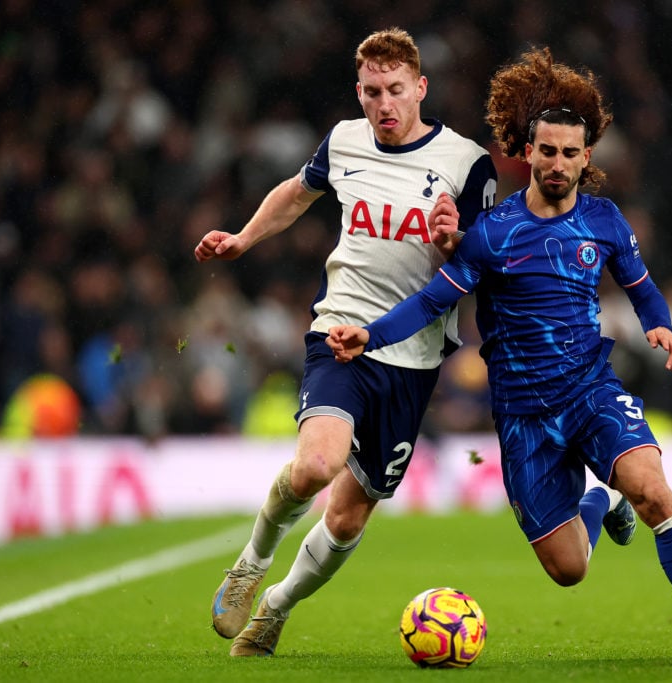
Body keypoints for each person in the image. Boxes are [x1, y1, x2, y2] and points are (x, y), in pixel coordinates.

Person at [328, 48, 672, 659]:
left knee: (655, 491)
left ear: (587, 158)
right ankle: (599, 499)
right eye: (546, 151)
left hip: (590, 390)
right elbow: (428, 303)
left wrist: (660, 326)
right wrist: (370, 334)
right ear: (527, 153)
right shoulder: (493, 234)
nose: (557, 163)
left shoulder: (604, 221)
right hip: (524, 415)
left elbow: (642, 286)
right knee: (569, 569)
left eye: (569, 153)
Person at [193, 28, 497, 657]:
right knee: (315, 467)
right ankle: (251, 564)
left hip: (412, 359)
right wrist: (244, 239)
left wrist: (452, 241)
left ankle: (276, 607)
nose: (383, 105)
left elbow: (479, 259)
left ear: (420, 88)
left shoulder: (467, 163)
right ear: (358, 94)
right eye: (370, 93)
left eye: (394, 91)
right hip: (338, 332)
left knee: (348, 518)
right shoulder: (345, 139)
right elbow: (296, 194)